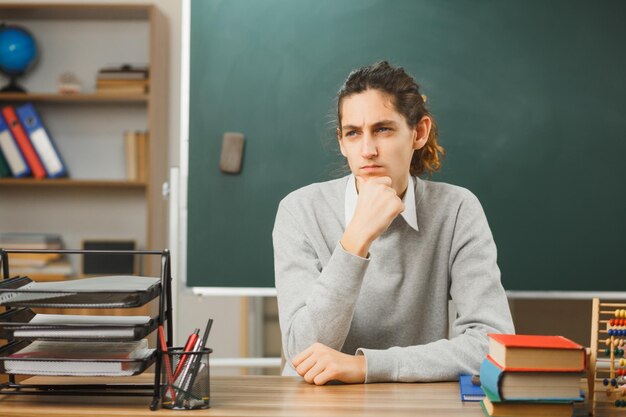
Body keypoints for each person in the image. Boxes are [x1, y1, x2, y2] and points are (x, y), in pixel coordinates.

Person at [272, 61, 514, 385]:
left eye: (383, 129)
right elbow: (303, 350)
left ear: (419, 133)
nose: (368, 150)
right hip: (318, 403)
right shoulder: (299, 211)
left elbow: (491, 343)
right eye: (353, 133)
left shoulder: (457, 211)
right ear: (342, 142)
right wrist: (357, 237)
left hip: (413, 403)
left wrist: (366, 366)